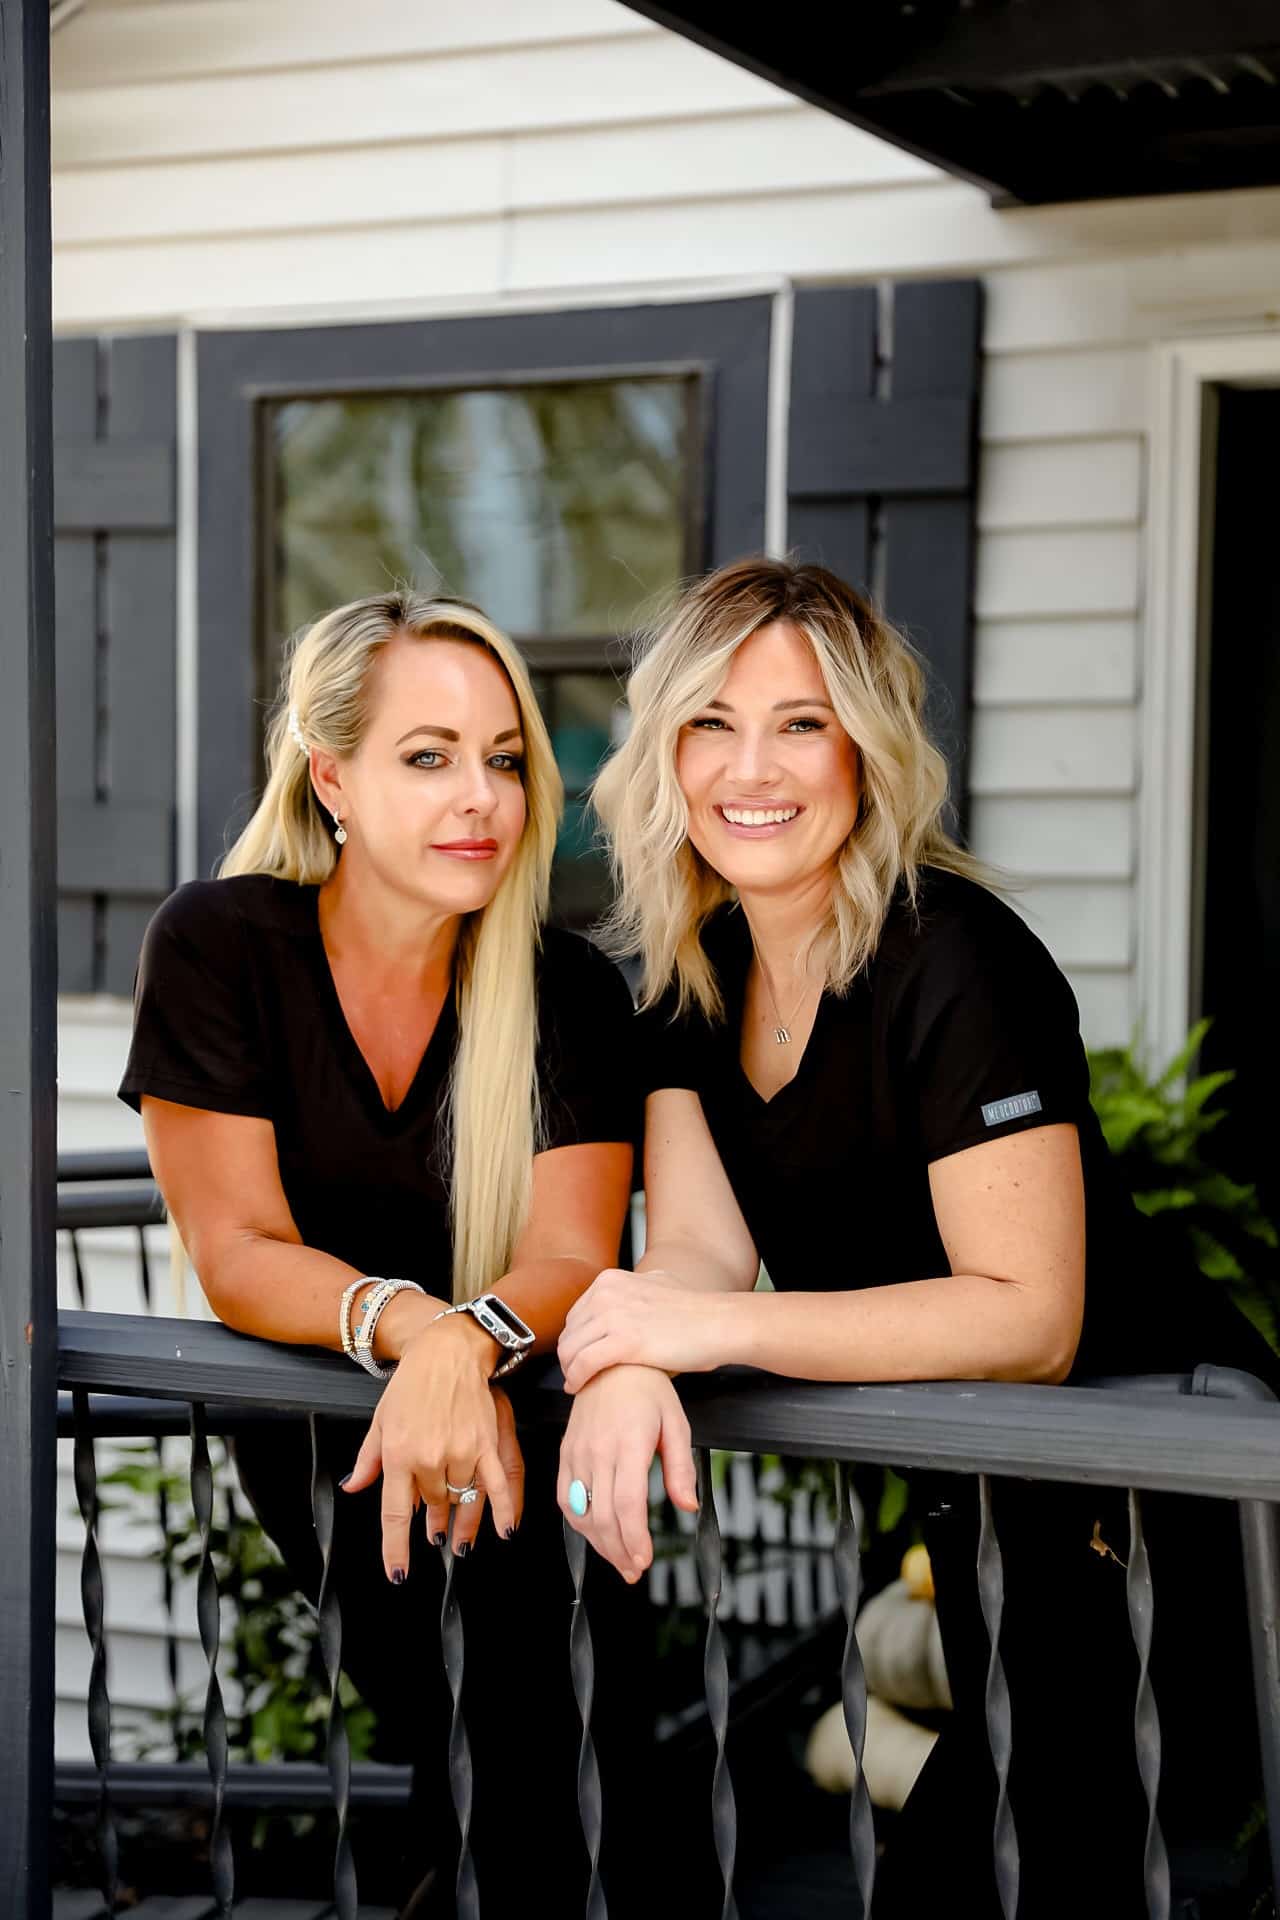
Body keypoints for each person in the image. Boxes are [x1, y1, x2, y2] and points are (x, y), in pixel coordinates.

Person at [556, 556, 1277, 1916]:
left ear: (870, 750)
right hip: (999, 1529)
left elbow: (1028, 1314)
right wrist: (640, 1355)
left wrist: (706, 1329)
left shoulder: (958, 956)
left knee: (965, 1878)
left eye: (800, 722)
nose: (749, 768)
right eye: (710, 722)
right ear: (663, 755)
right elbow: (700, 1256)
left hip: (1181, 1520)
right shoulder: (691, 990)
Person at [119, 590, 647, 1915]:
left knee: (580, 1777)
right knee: (500, 1757)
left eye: (505, 758)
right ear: (333, 777)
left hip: (526, 1415)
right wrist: (416, 1331)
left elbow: (575, 1250)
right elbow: (236, 1248)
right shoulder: (220, 945)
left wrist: (468, 1346)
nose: (480, 795)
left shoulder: (566, 985)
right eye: (429, 757)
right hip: (327, 1428)